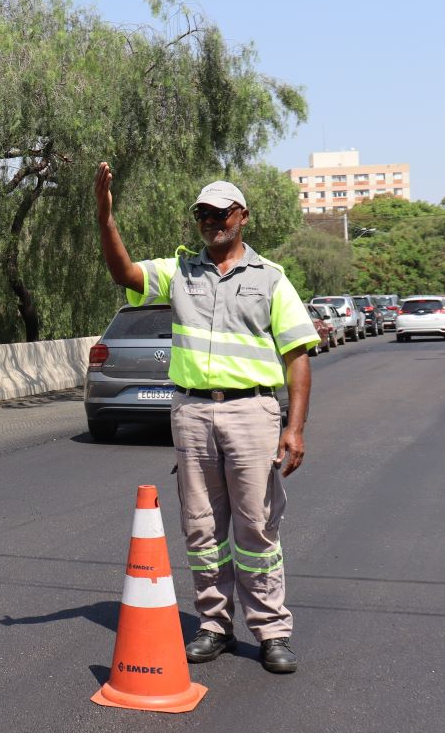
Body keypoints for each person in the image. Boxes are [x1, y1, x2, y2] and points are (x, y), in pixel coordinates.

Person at [94, 163, 318, 674]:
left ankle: (271, 631)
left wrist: (295, 427)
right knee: (201, 527)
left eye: (220, 213)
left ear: (242, 216)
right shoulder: (179, 272)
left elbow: (298, 356)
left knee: (257, 526)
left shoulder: (271, 279)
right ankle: (214, 625)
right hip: (192, 411)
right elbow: (125, 274)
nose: (211, 222)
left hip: (252, 411)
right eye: (203, 215)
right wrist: (106, 218)